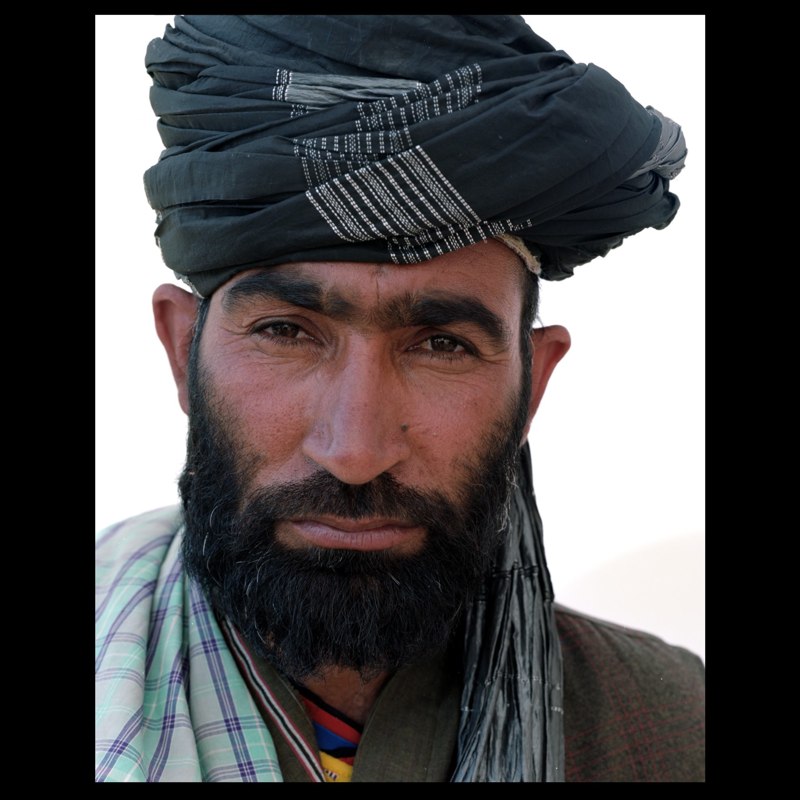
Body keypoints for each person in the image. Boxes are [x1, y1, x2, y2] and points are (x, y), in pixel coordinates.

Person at [95, 15, 705, 782]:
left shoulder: (671, 732)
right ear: (181, 352)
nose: (354, 451)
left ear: (532, 385)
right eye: (286, 332)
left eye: (442, 345)